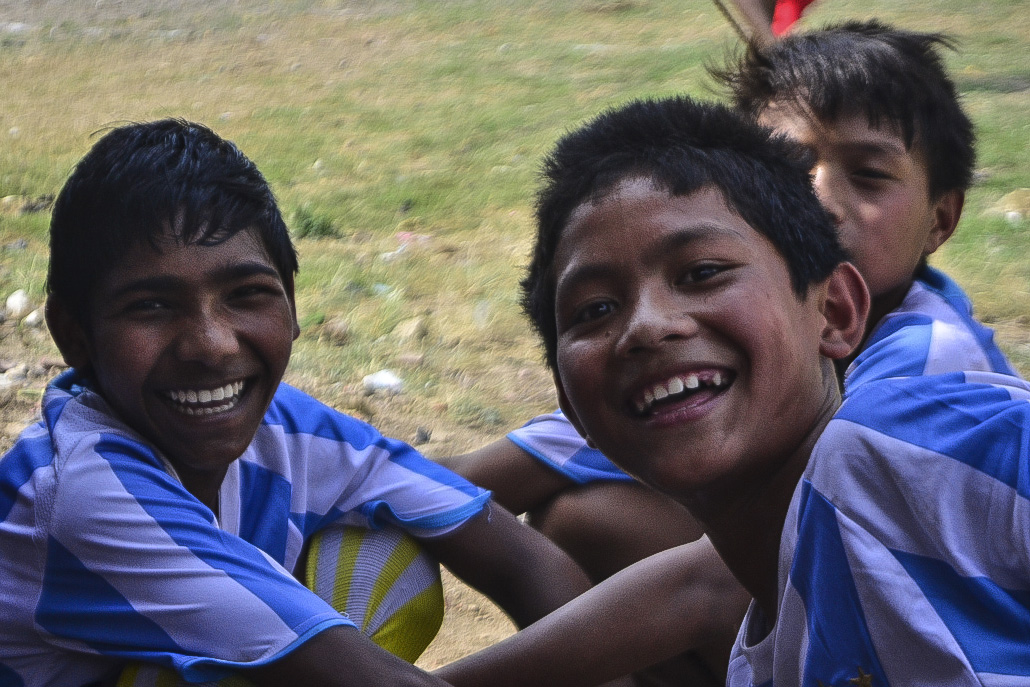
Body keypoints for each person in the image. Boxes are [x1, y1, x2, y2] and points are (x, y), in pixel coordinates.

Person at [438, 20, 1021, 683]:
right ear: (573, 403)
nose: (647, 326)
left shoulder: (917, 409)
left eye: (703, 272)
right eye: (596, 309)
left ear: (834, 308)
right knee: (579, 516)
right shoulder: (759, 661)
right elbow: (512, 465)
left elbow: (710, 583)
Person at [0, 119, 591, 687]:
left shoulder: (289, 430)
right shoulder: (80, 491)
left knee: (386, 553)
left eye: (246, 294)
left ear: (292, 305)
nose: (212, 344)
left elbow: (522, 560)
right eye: (152, 306)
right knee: (234, 663)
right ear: (74, 335)